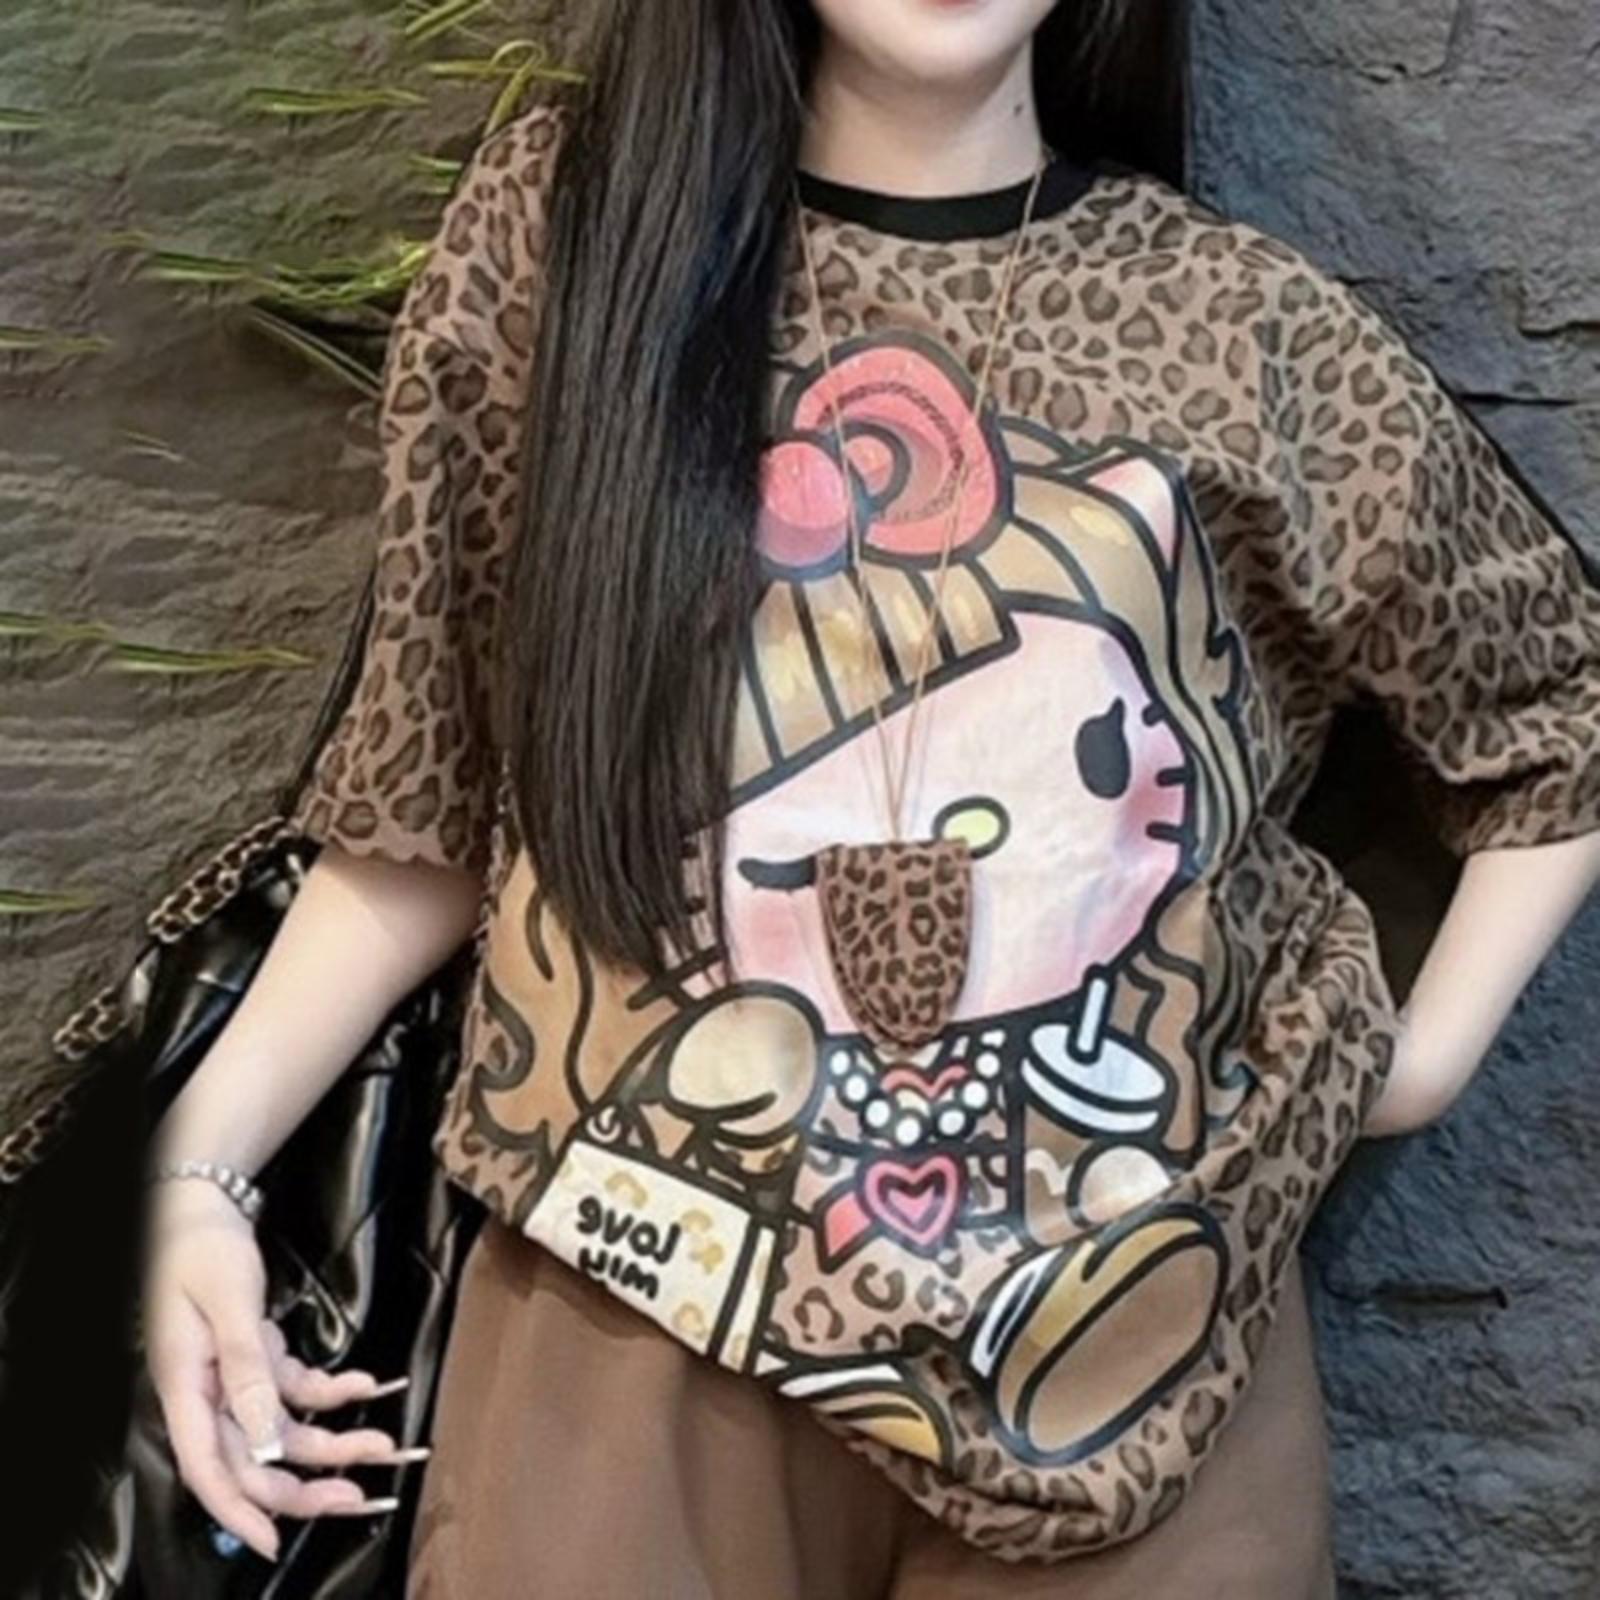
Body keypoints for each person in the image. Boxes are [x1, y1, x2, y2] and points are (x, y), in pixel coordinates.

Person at [138, 2, 1600, 1596]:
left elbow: (1562, 704)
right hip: (639, 1324)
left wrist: (1412, 1063)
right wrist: (199, 1166)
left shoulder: (1251, 332)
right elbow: (433, 792)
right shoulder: (570, 252)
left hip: (1145, 1371)